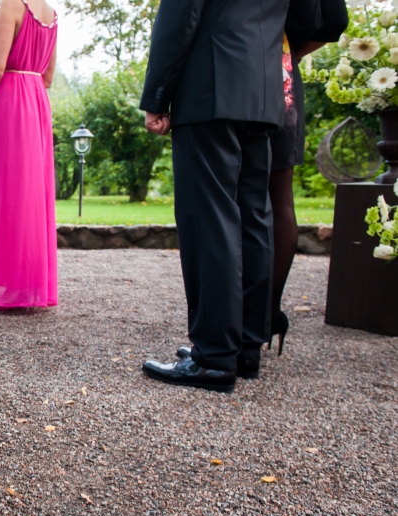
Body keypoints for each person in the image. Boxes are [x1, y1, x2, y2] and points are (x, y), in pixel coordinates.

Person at [139, 0, 319, 392]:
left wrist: (156, 96)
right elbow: (313, 18)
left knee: (210, 219)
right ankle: (245, 348)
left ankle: (214, 355)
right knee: (253, 216)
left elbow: (180, 15)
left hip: (210, 84)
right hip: (264, 89)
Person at [267, 0, 348, 354]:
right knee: (279, 197)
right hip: (282, 68)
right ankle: (267, 313)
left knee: (242, 197)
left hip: (257, 69)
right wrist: (290, 53)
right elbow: (335, 20)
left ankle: (244, 317)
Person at [0, 0, 58, 310]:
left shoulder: (10, 4)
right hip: (36, 99)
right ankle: (29, 285)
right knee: (32, 192)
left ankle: (11, 285)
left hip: (9, 99)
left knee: (8, 190)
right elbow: (48, 77)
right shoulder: (51, 14)